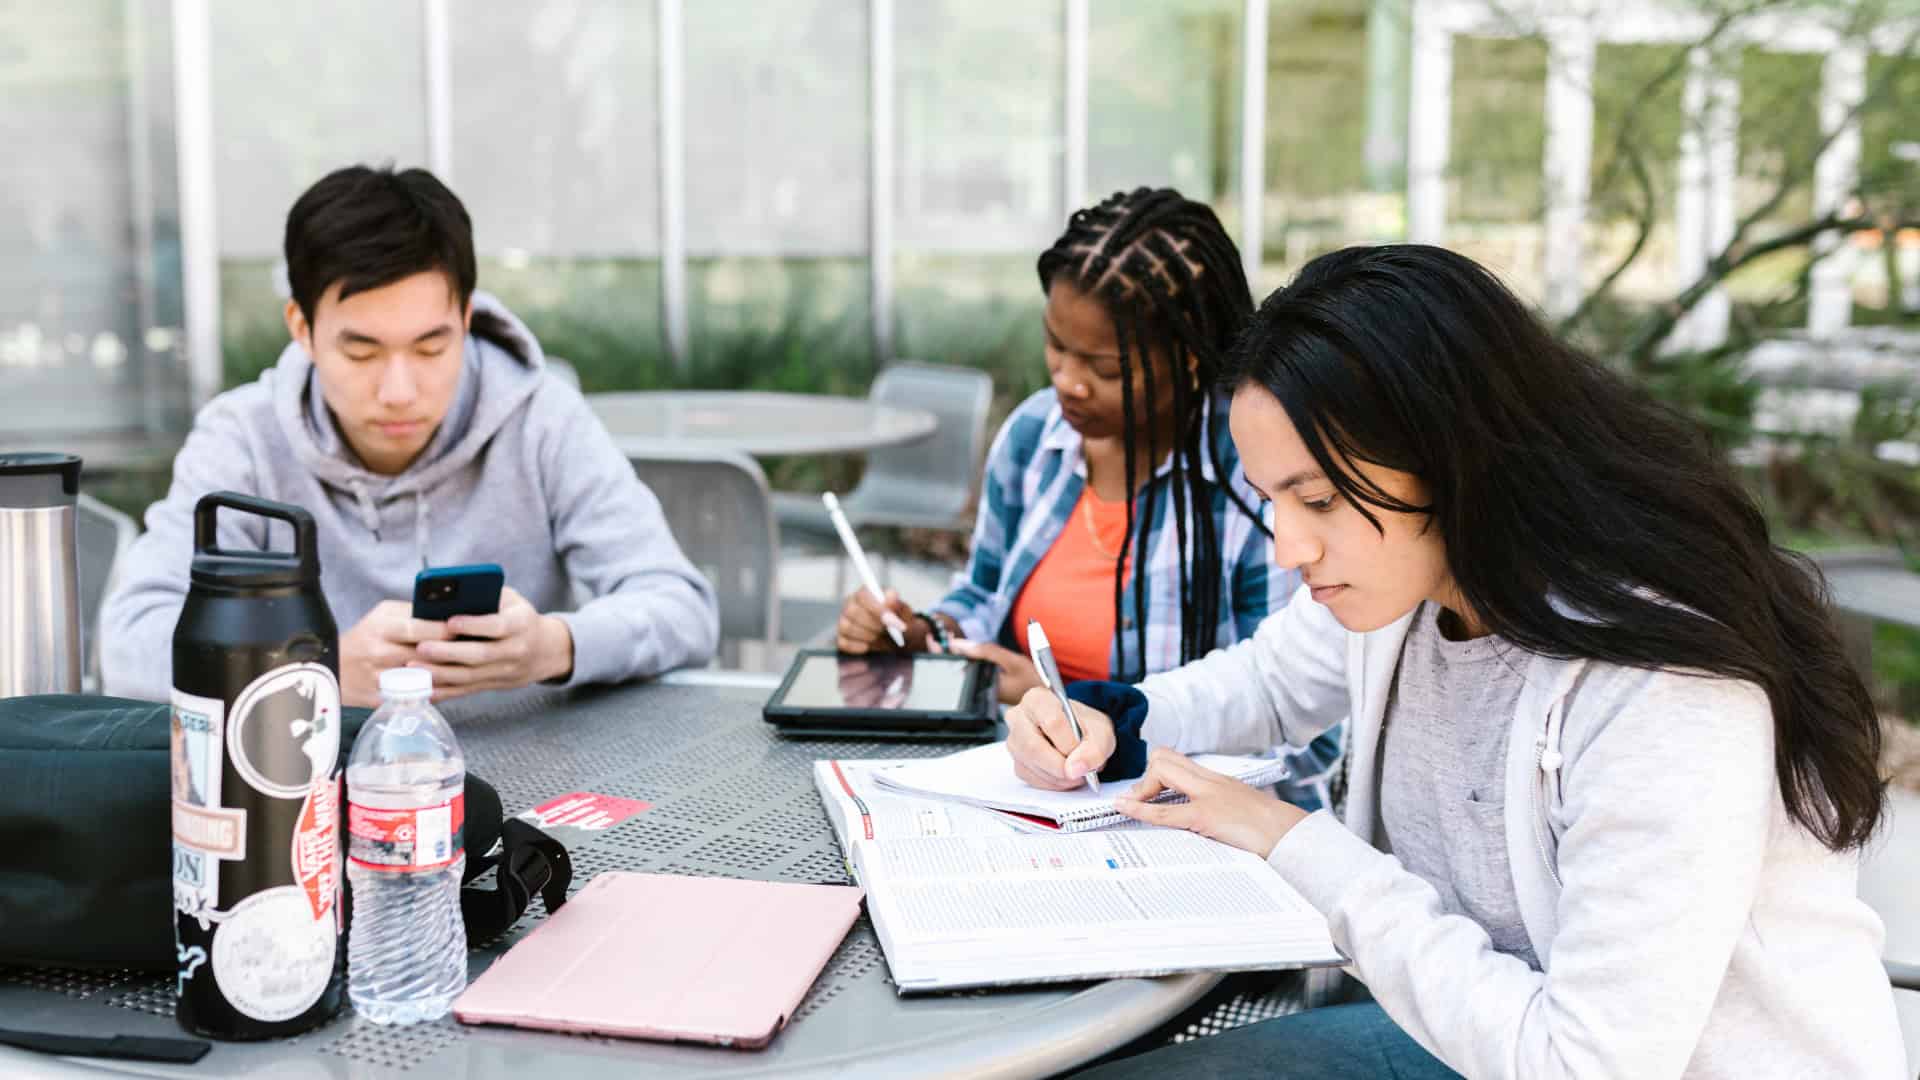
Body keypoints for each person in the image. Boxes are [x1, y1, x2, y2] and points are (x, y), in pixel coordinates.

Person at [1010, 245, 1907, 1078]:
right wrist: (1106, 719)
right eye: (1272, 500)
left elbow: (1584, 1065)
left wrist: (1294, 842)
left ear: (1451, 457)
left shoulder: (1661, 687)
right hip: (1475, 1038)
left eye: (1317, 499)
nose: (1289, 547)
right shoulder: (1414, 578)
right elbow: (1267, 683)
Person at [101, 165, 718, 707]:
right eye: (362, 350)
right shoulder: (243, 440)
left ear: (467, 318)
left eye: (431, 346)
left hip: (534, 788)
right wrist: (318, 671)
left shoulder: (541, 420)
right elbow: (129, 642)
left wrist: (553, 647)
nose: (399, 389)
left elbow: (683, 607)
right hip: (313, 792)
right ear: (302, 327)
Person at [836, 187, 1343, 809]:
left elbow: (1302, 724)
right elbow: (984, 594)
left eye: (1104, 368)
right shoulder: (1034, 438)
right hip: (1026, 792)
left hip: (1192, 823)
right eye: (1056, 346)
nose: (1067, 382)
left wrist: (1084, 708)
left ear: (1188, 358)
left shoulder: (1253, 476)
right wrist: (925, 636)